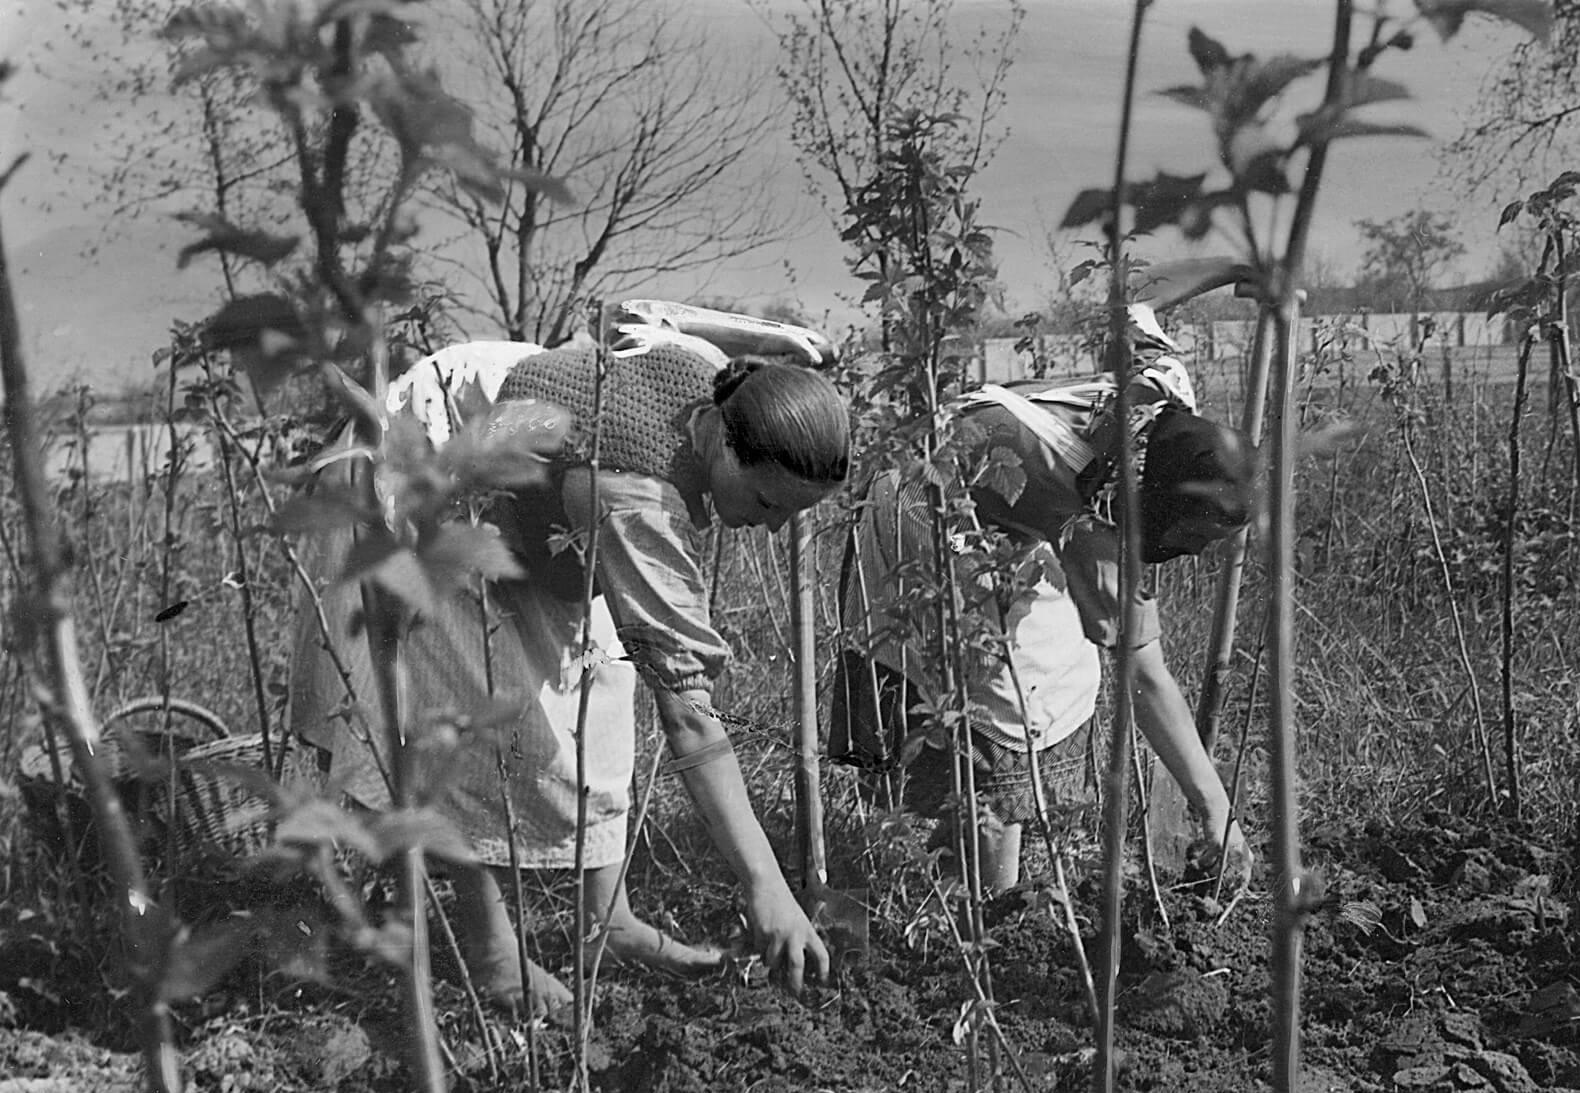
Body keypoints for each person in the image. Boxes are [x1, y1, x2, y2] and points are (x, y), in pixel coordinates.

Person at [291, 328, 851, 1015]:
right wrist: (766, 884)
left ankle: (605, 925)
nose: (769, 528)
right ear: (723, 442)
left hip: (539, 487)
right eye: (766, 504)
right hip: (433, 467)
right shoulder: (634, 494)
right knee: (486, 715)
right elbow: (687, 714)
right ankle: (495, 954)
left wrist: (785, 342)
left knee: (602, 687)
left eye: (790, 514)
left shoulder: (726, 379)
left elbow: (638, 320)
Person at [830, 304, 1254, 899]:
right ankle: (985, 901)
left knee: (1052, 669)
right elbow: (1145, 673)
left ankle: (979, 868)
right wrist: (1215, 808)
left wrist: (1237, 273)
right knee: (1007, 691)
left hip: (1003, 501)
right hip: (923, 504)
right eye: (1192, 539)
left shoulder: (1164, 394)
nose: (1200, 556)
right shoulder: (1087, 512)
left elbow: (1135, 316)